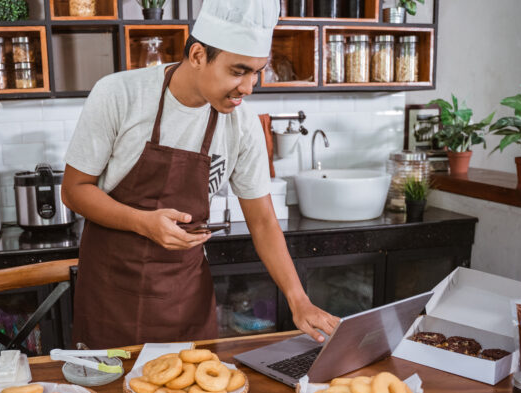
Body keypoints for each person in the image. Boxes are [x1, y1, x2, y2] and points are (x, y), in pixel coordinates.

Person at [62, 0, 339, 349]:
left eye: (257, 72)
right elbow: (74, 190)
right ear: (196, 55)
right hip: (110, 295)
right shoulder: (119, 95)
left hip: (183, 298)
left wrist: (299, 301)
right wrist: (143, 222)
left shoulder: (243, 125)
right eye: (238, 72)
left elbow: (264, 221)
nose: (248, 88)